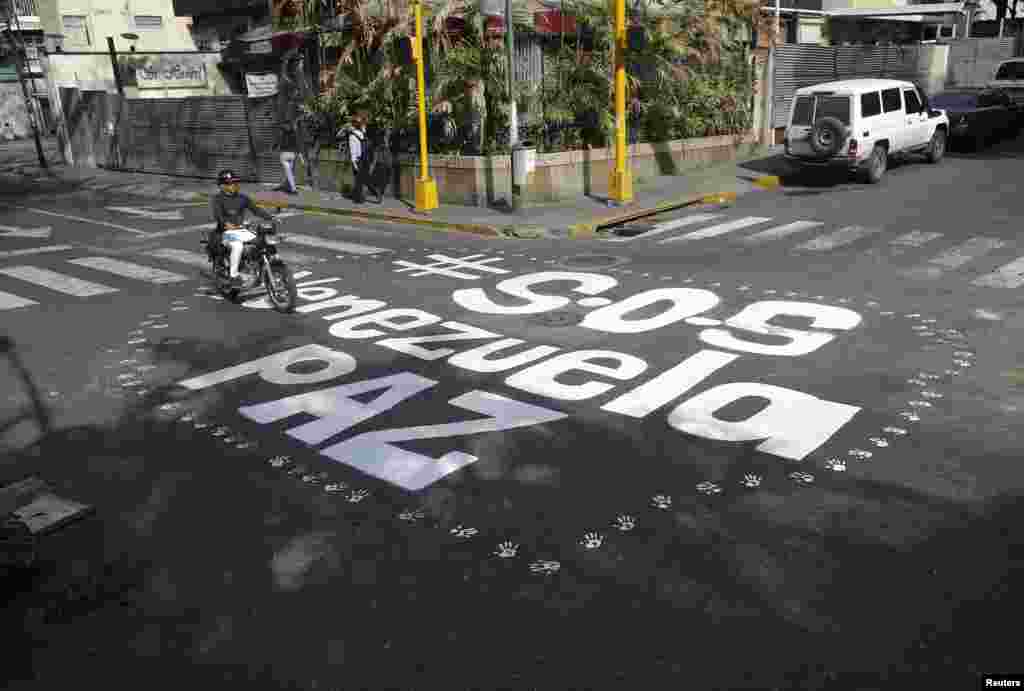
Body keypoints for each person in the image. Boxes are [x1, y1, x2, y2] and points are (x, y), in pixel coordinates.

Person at [210, 170, 275, 287]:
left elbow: (256, 210)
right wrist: (226, 223)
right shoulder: (217, 199)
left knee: (262, 241)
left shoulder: (242, 198)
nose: (234, 185)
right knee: (237, 246)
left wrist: (270, 217)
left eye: (235, 182)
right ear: (222, 186)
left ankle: (261, 267)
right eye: (230, 183)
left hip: (241, 230)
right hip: (226, 232)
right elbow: (218, 216)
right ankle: (233, 275)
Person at [348, 112, 381, 204]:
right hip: (365, 158)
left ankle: (367, 196)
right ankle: (359, 198)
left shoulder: (352, 135)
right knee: (363, 179)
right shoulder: (362, 133)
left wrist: (354, 162)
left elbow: (353, 150)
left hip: (358, 159)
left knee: (361, 179)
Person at [277, 121, 301, 195]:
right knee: (289, 172)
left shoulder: (282, 134)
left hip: (284, 154)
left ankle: (293, 189)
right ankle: (285, 186)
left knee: (288, 172)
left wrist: (276, 147)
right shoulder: (293, 134)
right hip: (292, 155)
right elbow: (297, 144)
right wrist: (300, 155)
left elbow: (279, 143)